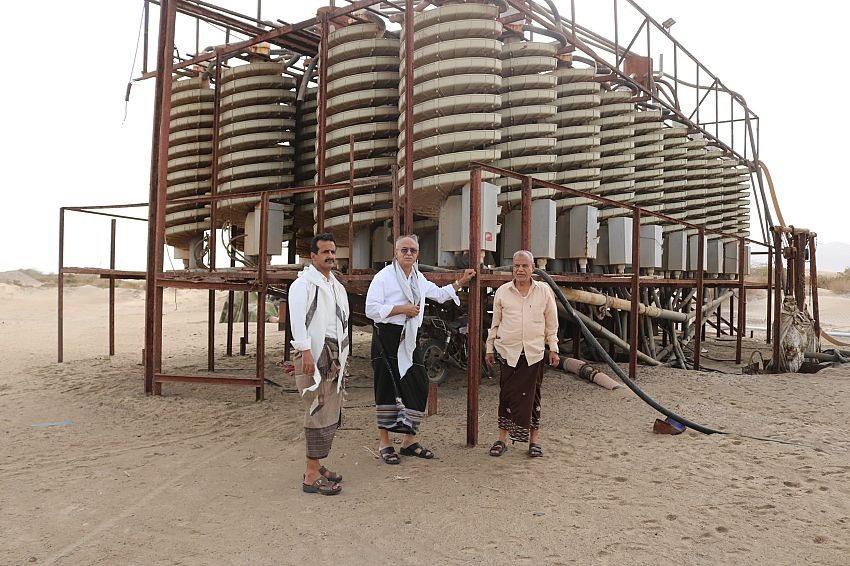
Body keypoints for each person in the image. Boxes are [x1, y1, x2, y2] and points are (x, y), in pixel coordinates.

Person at [365, 234, 476, 464]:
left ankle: (408, 441)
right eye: (404, 250)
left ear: (417, 254)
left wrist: (461, 282)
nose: (408, 254)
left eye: (412, 250)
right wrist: (402, 309)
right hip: (387, 336)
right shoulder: (383, 277)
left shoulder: (418, 279)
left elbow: (440, 294)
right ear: (395, 253)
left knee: (418, 383)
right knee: (386, 387)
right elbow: (371, 309)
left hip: (409, 338)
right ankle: (385, 443)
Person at [288, 233, 350, 495]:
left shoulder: (335, 284)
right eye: (325, 252)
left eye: (333, 252)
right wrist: (306, 353)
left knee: (329, 413)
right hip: (315, 353)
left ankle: (316, 464)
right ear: (313, 256)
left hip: (334, 355)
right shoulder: (302, 285)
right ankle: (311, 475)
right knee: (317, 410)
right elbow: (298, 322)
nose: (330, 256)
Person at [485, 250, 559, 458]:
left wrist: (553, 348)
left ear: (532, 268)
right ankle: (502, 439)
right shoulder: (502, 291)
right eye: (516, 265)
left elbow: (551, 322)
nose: (520, 269)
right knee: (506, 395)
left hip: (534, 353)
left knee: (533, 397)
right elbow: (495, 323)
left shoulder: (544, 291)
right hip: (509, 352)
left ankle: (534, 441)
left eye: (524, 266)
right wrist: (489, 348)